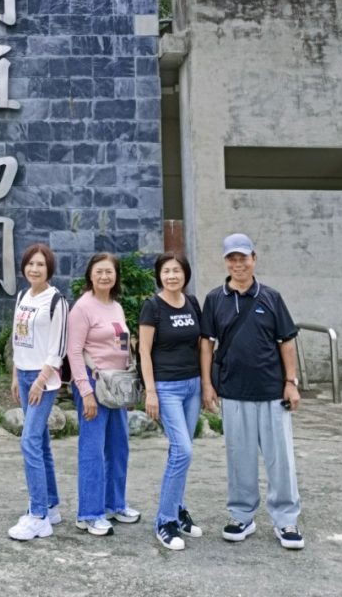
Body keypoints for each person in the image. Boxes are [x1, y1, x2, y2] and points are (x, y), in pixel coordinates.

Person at [200, 233, 304, 551]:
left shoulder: (271, 297)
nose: (238, 263)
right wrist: (207, 384)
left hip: (273, 391)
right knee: (239, 458)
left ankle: (286, 520)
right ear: (226, 262)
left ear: (254, 259)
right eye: (232, 258)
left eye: (243, 257)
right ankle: (242, 515)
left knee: (280, 460)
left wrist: (291, 381)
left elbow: (286, 341)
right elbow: (207, 343)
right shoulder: (215, 299)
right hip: (232, 391)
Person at [67, 252, 142, 536]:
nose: (104, 276)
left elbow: (123, 347)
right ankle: (89, 513)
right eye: (99, 271)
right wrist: (85, 391)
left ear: (115, 276)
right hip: (93, 384)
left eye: (109, 272)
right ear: (90, 275)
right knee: (93, 450)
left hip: (117, 385)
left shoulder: (116, 307)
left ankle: (115, 504)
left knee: (118, 447)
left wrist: (129, 390)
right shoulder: (82, 308)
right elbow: (73, 352)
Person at [138, 252, 203, 551]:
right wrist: (150, 391)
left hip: (192, 386)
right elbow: (144, 352)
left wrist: (206, 385)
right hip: (167, 388)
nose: (172, 276)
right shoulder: (153, 307)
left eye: (177, 271)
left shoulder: (192, 304)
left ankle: (177, 508)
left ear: (185, 274)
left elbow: (201, 345)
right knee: (183, 450)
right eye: (166, 271)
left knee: (181, 453)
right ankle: (164, 521)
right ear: (159, 275)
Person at [8, 243, 69, 541]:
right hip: (24, 374)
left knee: (29, 442)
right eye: (30, 264)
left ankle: (38, 516)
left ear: (49, 269)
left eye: (40, 265)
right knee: (41, 444)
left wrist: (40, 380)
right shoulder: (22, 295)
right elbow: (17, 338)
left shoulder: (56, 300)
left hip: (44, 380)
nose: (34, 269)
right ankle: (51, 505)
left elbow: (58, 349)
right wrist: (15, 375)